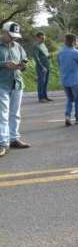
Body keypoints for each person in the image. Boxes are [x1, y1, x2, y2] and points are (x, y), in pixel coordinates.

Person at [0, 21, 30, 157]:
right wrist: (4, 64)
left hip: (17, 83)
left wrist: (23, 65)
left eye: (15, 36)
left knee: (15, 113)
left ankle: (14, 139)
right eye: (11, 35)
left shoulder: (17, 46)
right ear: (4, 32)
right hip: (2, 84)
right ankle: (3, 142)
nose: (13, 38)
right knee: (2, 115)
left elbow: (25, 59)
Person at [57, 34, 78, 127]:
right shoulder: (76, 52)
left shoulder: (60, 53)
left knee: (70, 99)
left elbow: (59, 65)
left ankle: (67, 116)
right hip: (76, 80)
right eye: (77, 41)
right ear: (74, 42)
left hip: (65, 80)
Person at [33, 32, 52, 103]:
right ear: (37, 38)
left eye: (44, 38)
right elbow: (36, 58)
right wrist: (42, 67)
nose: (43, 40)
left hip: (47, 66)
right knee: (41, 82)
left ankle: (45, 96)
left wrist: (48, 56)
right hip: (41, 67)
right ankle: (40, 98)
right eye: (41, 38)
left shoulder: (43, 44)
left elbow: (45, 54)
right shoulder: (36, 46)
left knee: (46, 82)